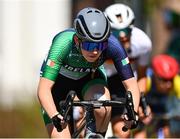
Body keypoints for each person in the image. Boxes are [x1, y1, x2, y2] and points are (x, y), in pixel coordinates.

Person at [37, 7, 140, 138]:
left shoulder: (113, 45)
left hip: (89, 79)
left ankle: (95, 135)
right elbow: (43, 89)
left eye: (100, 45)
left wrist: (133, 113)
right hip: (58, 84)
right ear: (77, 41)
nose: (95, 51)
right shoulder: (62, 44)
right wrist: (54, 115)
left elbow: (131, 85)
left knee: (103, 107)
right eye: (89, 46)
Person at [104, 3, 152, 138]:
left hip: (127, 80)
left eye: (127, 31)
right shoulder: (100, 44)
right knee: (116, 128)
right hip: (103, 78)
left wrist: (140, 101)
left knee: (131, 132)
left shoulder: (143, 42)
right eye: (118, 34)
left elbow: (142, 76)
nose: (123, 36)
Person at [140, 54, 180, 138]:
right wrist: (141, 111)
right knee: (140, 136)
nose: (169, 84)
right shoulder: (146, 81)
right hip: (145, 111)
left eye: (171, 79)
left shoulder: (176, 82)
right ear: (155, 75)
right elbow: (135, 100)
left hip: (164, 113)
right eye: (164, 80)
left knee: (167, 132)